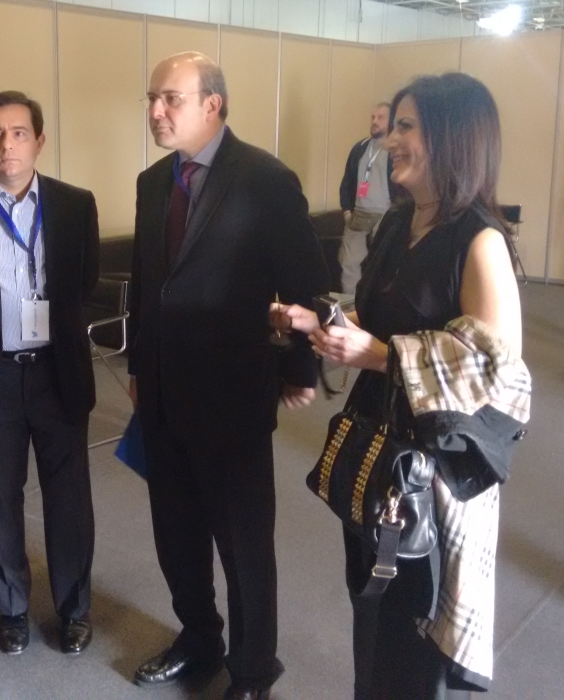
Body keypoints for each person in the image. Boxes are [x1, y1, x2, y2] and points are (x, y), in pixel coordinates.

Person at [274, 73, 522, 699]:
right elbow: (380, 318)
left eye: (406, 127)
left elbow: (496, 370)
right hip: (375, 458)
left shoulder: (480, 241)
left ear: (450, 138)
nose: (389, 141)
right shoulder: (397, 223)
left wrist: (381, 356)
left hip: (431, 477)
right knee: (372, 613)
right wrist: (320, 324)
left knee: (415, 632)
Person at [128, 52, 331, 700]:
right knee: (177, 535)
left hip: (232, 395)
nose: (156, 111)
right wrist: (137, 368)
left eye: (171, 98)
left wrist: (298, 366)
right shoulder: (152, 183)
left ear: (212, 104)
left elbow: (304, 281)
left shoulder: (265, 179)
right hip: (162, 393)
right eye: (152, 99)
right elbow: (145, 286)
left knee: (243, 546)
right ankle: (198, 639)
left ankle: (252, 669)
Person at [0, 91, 99, 656]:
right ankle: (11, 609)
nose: (7, 144)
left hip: (58, 372)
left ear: (40, 140)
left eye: (19, 132)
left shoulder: (75, 205)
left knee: (69, 499)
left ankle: (74, 609)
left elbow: (83, 285)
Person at [338, 102, 398, 294]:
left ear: (391, 121)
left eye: (380, 117)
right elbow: (347, 181)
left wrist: (398, 214)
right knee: (349, 263)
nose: (375, 121)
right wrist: (347, 211)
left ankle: (376, 306)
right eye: (373, 117)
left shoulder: (396, 149)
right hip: (359, 212)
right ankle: (350, 306)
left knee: (383, 265)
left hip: (386, 214)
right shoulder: (360, 148)